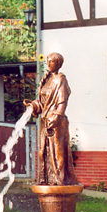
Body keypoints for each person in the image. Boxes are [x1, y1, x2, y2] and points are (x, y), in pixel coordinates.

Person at [25, 53, 78, 186]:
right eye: (48, 62)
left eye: (52, 62)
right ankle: (46, 178)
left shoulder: (61, 80)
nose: (49, 64)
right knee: (43, 150)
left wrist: (57, 116)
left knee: (57, 150)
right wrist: (34, 105)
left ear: (58, 64)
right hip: (45, 120)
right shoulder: (46, 80)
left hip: (57, 121)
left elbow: (62, 102)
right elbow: (43, 102)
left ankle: (59, 179)